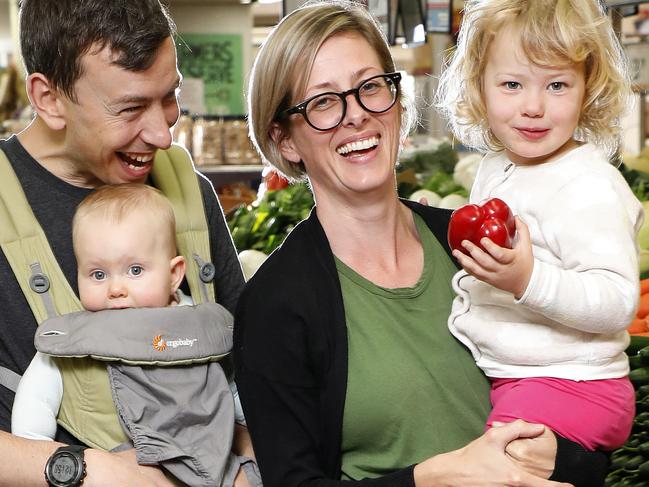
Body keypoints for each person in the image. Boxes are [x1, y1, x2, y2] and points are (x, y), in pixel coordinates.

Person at [234, 1, 607, 486]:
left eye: (370, 87)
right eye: (323, 102)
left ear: (399, 102)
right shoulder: (275, 303)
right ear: (284, 140)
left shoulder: (476, 243)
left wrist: (564, 453)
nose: (356, 117)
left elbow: (586, 395)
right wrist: (434, 477)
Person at [0, 1, 247, 485]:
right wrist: (85, 471)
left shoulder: (186, 190)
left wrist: (250, 465)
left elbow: (243, 370)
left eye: (169, 96)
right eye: (131, 107)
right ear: (49, 98)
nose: (160, 133)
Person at [436, 0, 641, 459]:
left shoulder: (587, 184)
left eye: (557, 85)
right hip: (516, 377)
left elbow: (616, 301)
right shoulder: (495, 167)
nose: (533, 107)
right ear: (479, 88)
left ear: (588, 88)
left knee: (494, 467)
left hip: (576, 385)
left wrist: (527, 280)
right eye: (512, 84)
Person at [11, 184, 256, 487]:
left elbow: (227, 387)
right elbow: (36, 397)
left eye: (135, 270)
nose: (115, 289)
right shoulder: (78, 336)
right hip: (126, 467)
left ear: (175, 274)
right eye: (98, 274)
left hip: (213, 461)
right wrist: (34, 444)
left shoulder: (196, 324)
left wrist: (254, 432)